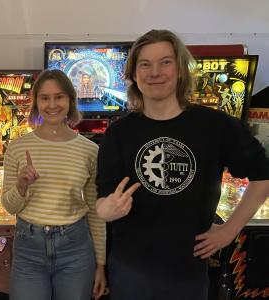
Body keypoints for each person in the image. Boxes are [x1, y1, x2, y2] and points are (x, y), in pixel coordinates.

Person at [95, 29, 269, 300]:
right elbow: (102, 201)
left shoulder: (216, 125)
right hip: (130, 268)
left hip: (188, 269)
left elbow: (263, 175)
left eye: (165, 62)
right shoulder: (119, 133)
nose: (155, 72)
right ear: (134, 75)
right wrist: (107, 210)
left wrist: (229, 230)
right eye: (145, 64)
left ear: (180, 70)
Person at [1, 69, 106, 300]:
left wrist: (100, 263)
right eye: (44, 98)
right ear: (36, 102)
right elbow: (10, 207)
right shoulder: (18, 147)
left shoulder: (89, 150)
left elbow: (96, 211)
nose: (52, 104)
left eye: (59, 97)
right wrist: (21, 186)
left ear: (70, 100)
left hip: (76, 248)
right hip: (29, 247)